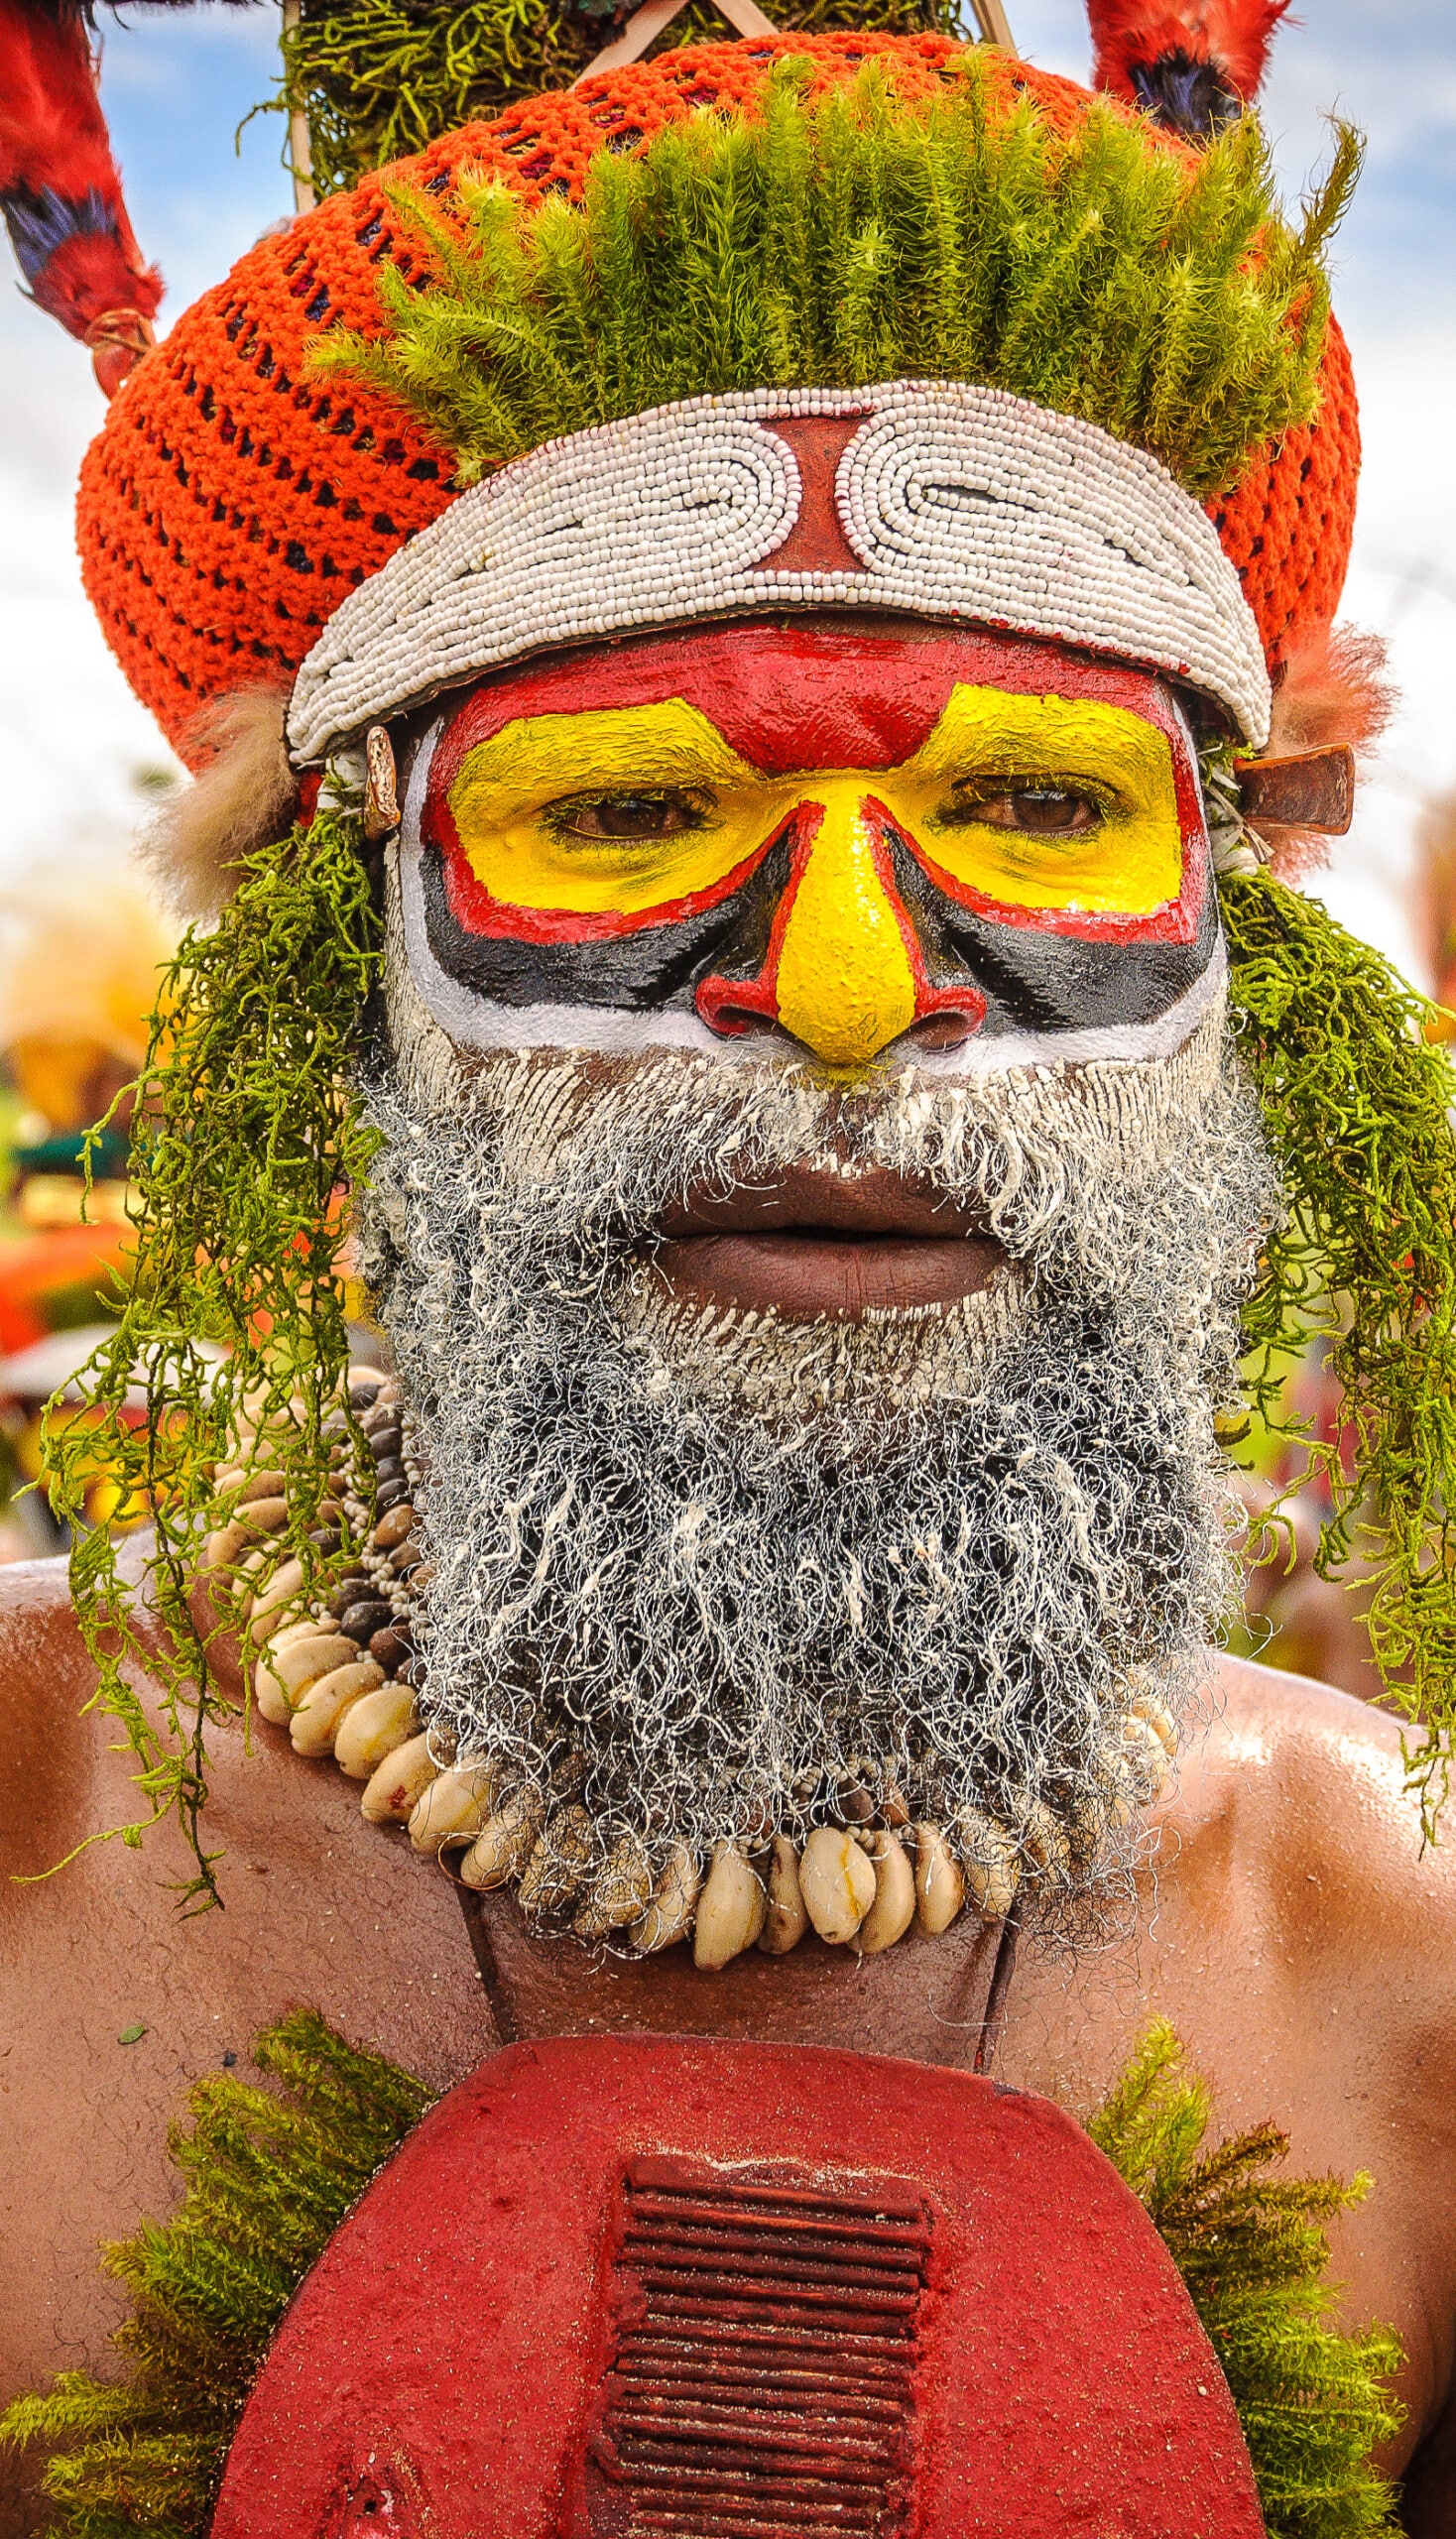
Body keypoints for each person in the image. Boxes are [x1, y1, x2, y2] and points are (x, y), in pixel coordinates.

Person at [4, 1, 1456, 2530]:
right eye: (628, 811)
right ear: (349, 975)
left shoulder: (1405, 1952)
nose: (853, 988)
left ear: (1235, 950)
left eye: (1028, 806)